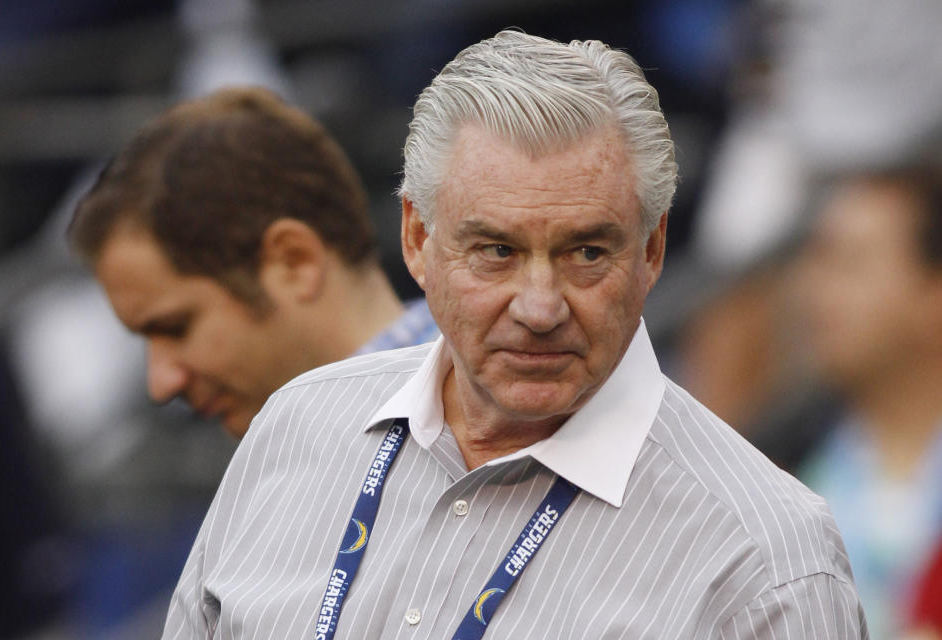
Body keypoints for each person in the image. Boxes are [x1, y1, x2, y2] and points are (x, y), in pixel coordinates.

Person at [162, 31, 866, 638]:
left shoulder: (766, 559)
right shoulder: (295, 427)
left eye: (587, 252)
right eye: (495, 250)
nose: (539, 306)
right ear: (416, 239)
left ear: (652, 253)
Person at [68, 87, 439, 438]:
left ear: (294, 261)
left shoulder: (478, 409)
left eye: (176, 327)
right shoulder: (293, 459)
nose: (161, 384)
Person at [796, 168, 942, 639]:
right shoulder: (787, 477)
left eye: (852, 264)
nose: (818, 293)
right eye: (820, 260)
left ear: (934, 295)